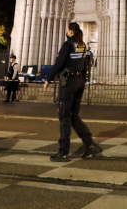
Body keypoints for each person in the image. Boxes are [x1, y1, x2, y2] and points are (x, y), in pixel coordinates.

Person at [43, 22, 102, 162]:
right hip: (79, 81)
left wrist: (48, 79)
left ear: (70, 31)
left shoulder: (68, 45)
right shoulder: (83, 45)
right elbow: (87, 64)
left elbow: (59, 63)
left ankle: (63, 152)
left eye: (67, 29)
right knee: (73, 115)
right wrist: (84, 79)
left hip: (68, 83)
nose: (66, 32)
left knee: (64, 116)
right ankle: (90, 144)